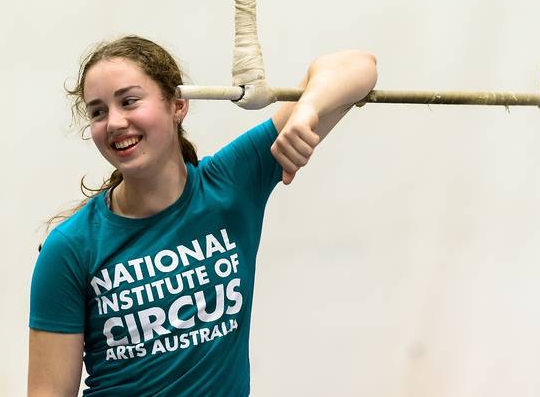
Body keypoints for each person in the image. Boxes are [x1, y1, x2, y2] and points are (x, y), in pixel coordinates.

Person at [28, 35, 377, 396]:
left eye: (129, 101)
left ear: (178, 105)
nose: (114, 122)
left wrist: (306, 109)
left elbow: (359, 66)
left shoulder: (230, 185)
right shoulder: (70, 248)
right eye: (98, 111)